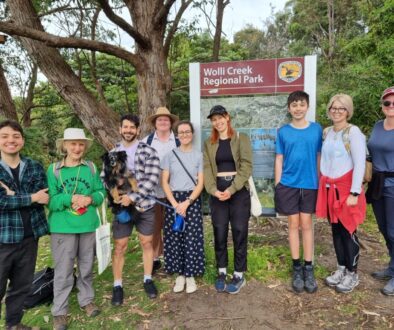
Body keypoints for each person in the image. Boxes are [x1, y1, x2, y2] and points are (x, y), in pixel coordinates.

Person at [47, 128, 106, 330]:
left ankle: (87, 300)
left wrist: (90, 198)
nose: (77, 148)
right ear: (64, 146)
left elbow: (100, 192)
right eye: (72, 144)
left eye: (81, 144)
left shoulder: (90, 168)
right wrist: (71, 198)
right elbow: (51, 201)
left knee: (86, 266)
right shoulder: (54, 170)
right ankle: (60, 312)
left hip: (87, 225)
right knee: (63, 270)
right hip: (62, 227)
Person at [0, 120, 49, 330]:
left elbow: (44, 196)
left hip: (30, 237)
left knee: (21, 286)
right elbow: (1, 202)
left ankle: (14, 324)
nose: (11, 140)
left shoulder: (34, 166)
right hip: (3, 239)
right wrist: (31, 198)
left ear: (22, 140)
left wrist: (12, 194)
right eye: (4, 136)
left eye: (16, 136)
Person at [316, 94, 366, 294]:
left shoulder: (353, 132)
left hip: (346, 189)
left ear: (348, 111)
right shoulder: (327, 132)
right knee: (335, 230)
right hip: (330, 189)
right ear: (329, 110)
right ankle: (341, 268)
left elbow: (360, 162)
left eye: (341, 108)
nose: (336, 111)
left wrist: (355, 192)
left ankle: (353, 274)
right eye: (333, 108)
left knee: (348, 230)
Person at [110, 114, 160, 306]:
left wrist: (132, 197)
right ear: (120, 129)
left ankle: (148, 279)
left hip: (145, 205)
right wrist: (115, 194)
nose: (128, 130)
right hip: (121, 207)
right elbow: (106, 177)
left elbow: (152, 179)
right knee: (120, 246)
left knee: (147, 243)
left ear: (138, 130)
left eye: (132, 127)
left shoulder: (148, 151)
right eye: (125, 127)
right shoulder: (113, 153)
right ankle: (117, 285)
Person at [275, 90, 322, 294]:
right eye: (294, 105)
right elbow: (279, 158)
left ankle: (308, 267)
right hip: (288, 184)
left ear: (307, 106)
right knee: (293, 225)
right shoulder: (283, 132)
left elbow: (319, 155)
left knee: (307, 224)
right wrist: (278, 184)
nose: (298, 108)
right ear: (289, 108)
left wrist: (321, 181)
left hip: (311, 183)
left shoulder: (317, 130)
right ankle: (296, 267)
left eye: (301, 104)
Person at [203, 105, 252, 294]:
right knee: (219, 231)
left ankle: (239, 273)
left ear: (227, 117)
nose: (218, 122)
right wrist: (213, 190)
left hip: (238, 191)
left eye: (220, 118)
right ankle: (222, 271)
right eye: (214, 120)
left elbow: (247, 167)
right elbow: (207, 169)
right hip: (217, 193)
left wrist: (231, 189)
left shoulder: (241, 138)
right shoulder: (209, 143)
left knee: (240, 231)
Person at [161, 120, 205, 293]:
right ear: (177, 135)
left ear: (192, 134)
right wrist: (174, 204)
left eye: (188, 132)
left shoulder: (198, 155)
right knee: (174, 236)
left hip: (191, 200)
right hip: (173, 200)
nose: (185, 135)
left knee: (192, 237)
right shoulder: (170, 156)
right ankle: (179, 274)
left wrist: (187, 202)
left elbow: (200, 183)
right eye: (181, 132)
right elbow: (164, 182)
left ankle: (190, 274)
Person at [142, 107, 179, 273]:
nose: (163, 122)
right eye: (160, 120)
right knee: (155, 226)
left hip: (175, 193)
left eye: (166, 119)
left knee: (173, 226)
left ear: (170, 122)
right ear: (155, 123)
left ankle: (173, 257)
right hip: (153, 194)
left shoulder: (178, 141)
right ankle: (156, 258)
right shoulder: (146, 142)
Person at [367, 86, 394, 295]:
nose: (391, 106)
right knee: (385, 229)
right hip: (377, 183)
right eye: (387, 102)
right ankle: (392, 266)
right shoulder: (377, 126)